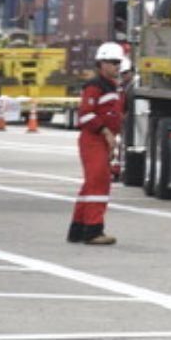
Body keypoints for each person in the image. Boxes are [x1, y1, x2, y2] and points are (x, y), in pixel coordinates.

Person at [68, 43, 127, 245]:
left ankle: (78, 229)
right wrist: (106, 132)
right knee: (99, 184)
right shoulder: (95, 86)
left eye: (119, 62)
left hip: (103, 140)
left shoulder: (114, 86)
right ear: (102, 63)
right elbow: (85, 114)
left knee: (90, 185)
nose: (117, 66)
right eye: (113, 62)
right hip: (93, 139)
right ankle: (93, 230)